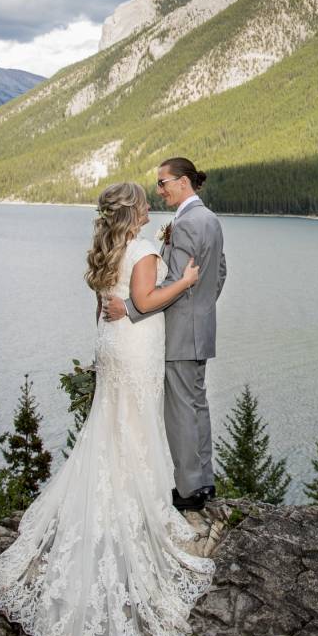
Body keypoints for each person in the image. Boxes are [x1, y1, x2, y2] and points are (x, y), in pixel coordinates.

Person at [0, 181, 213, 636]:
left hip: (109, 347)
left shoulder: (107, 247)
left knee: (109, 424)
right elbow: (145, 299)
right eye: (146, 204)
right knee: (135, 426)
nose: (153, 208)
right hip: (135, 345)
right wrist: (189, 278)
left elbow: (110, 298)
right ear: (135, 213)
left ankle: (116, 489)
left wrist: (164, 238)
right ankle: (140, 501)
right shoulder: (145, 249)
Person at [101, 157, 226, 513]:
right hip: (199, 329)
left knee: (181, 411)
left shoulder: (186, 223)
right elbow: (220, 270)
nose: (158, 190)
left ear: (183, 182)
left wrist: (129, 307)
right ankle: (204, 481)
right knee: (197, 405)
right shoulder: (210, 220)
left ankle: (189, 489)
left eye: (163, 182)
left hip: (180, 333)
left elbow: (175, 283)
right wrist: (201, 308)